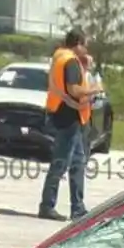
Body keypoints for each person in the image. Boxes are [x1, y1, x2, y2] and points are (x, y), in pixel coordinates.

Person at [39, 30, 92, 222]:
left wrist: (85, 68)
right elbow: (74, 89)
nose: (86, 49)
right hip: (68, 116)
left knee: (78, 162)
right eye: (85, 45)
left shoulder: (60, 56)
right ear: (77, 43)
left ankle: (78, 208)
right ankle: (47, 205)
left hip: (67, 115)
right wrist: (94, 89)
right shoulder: (70, 61)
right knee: (61, 162)